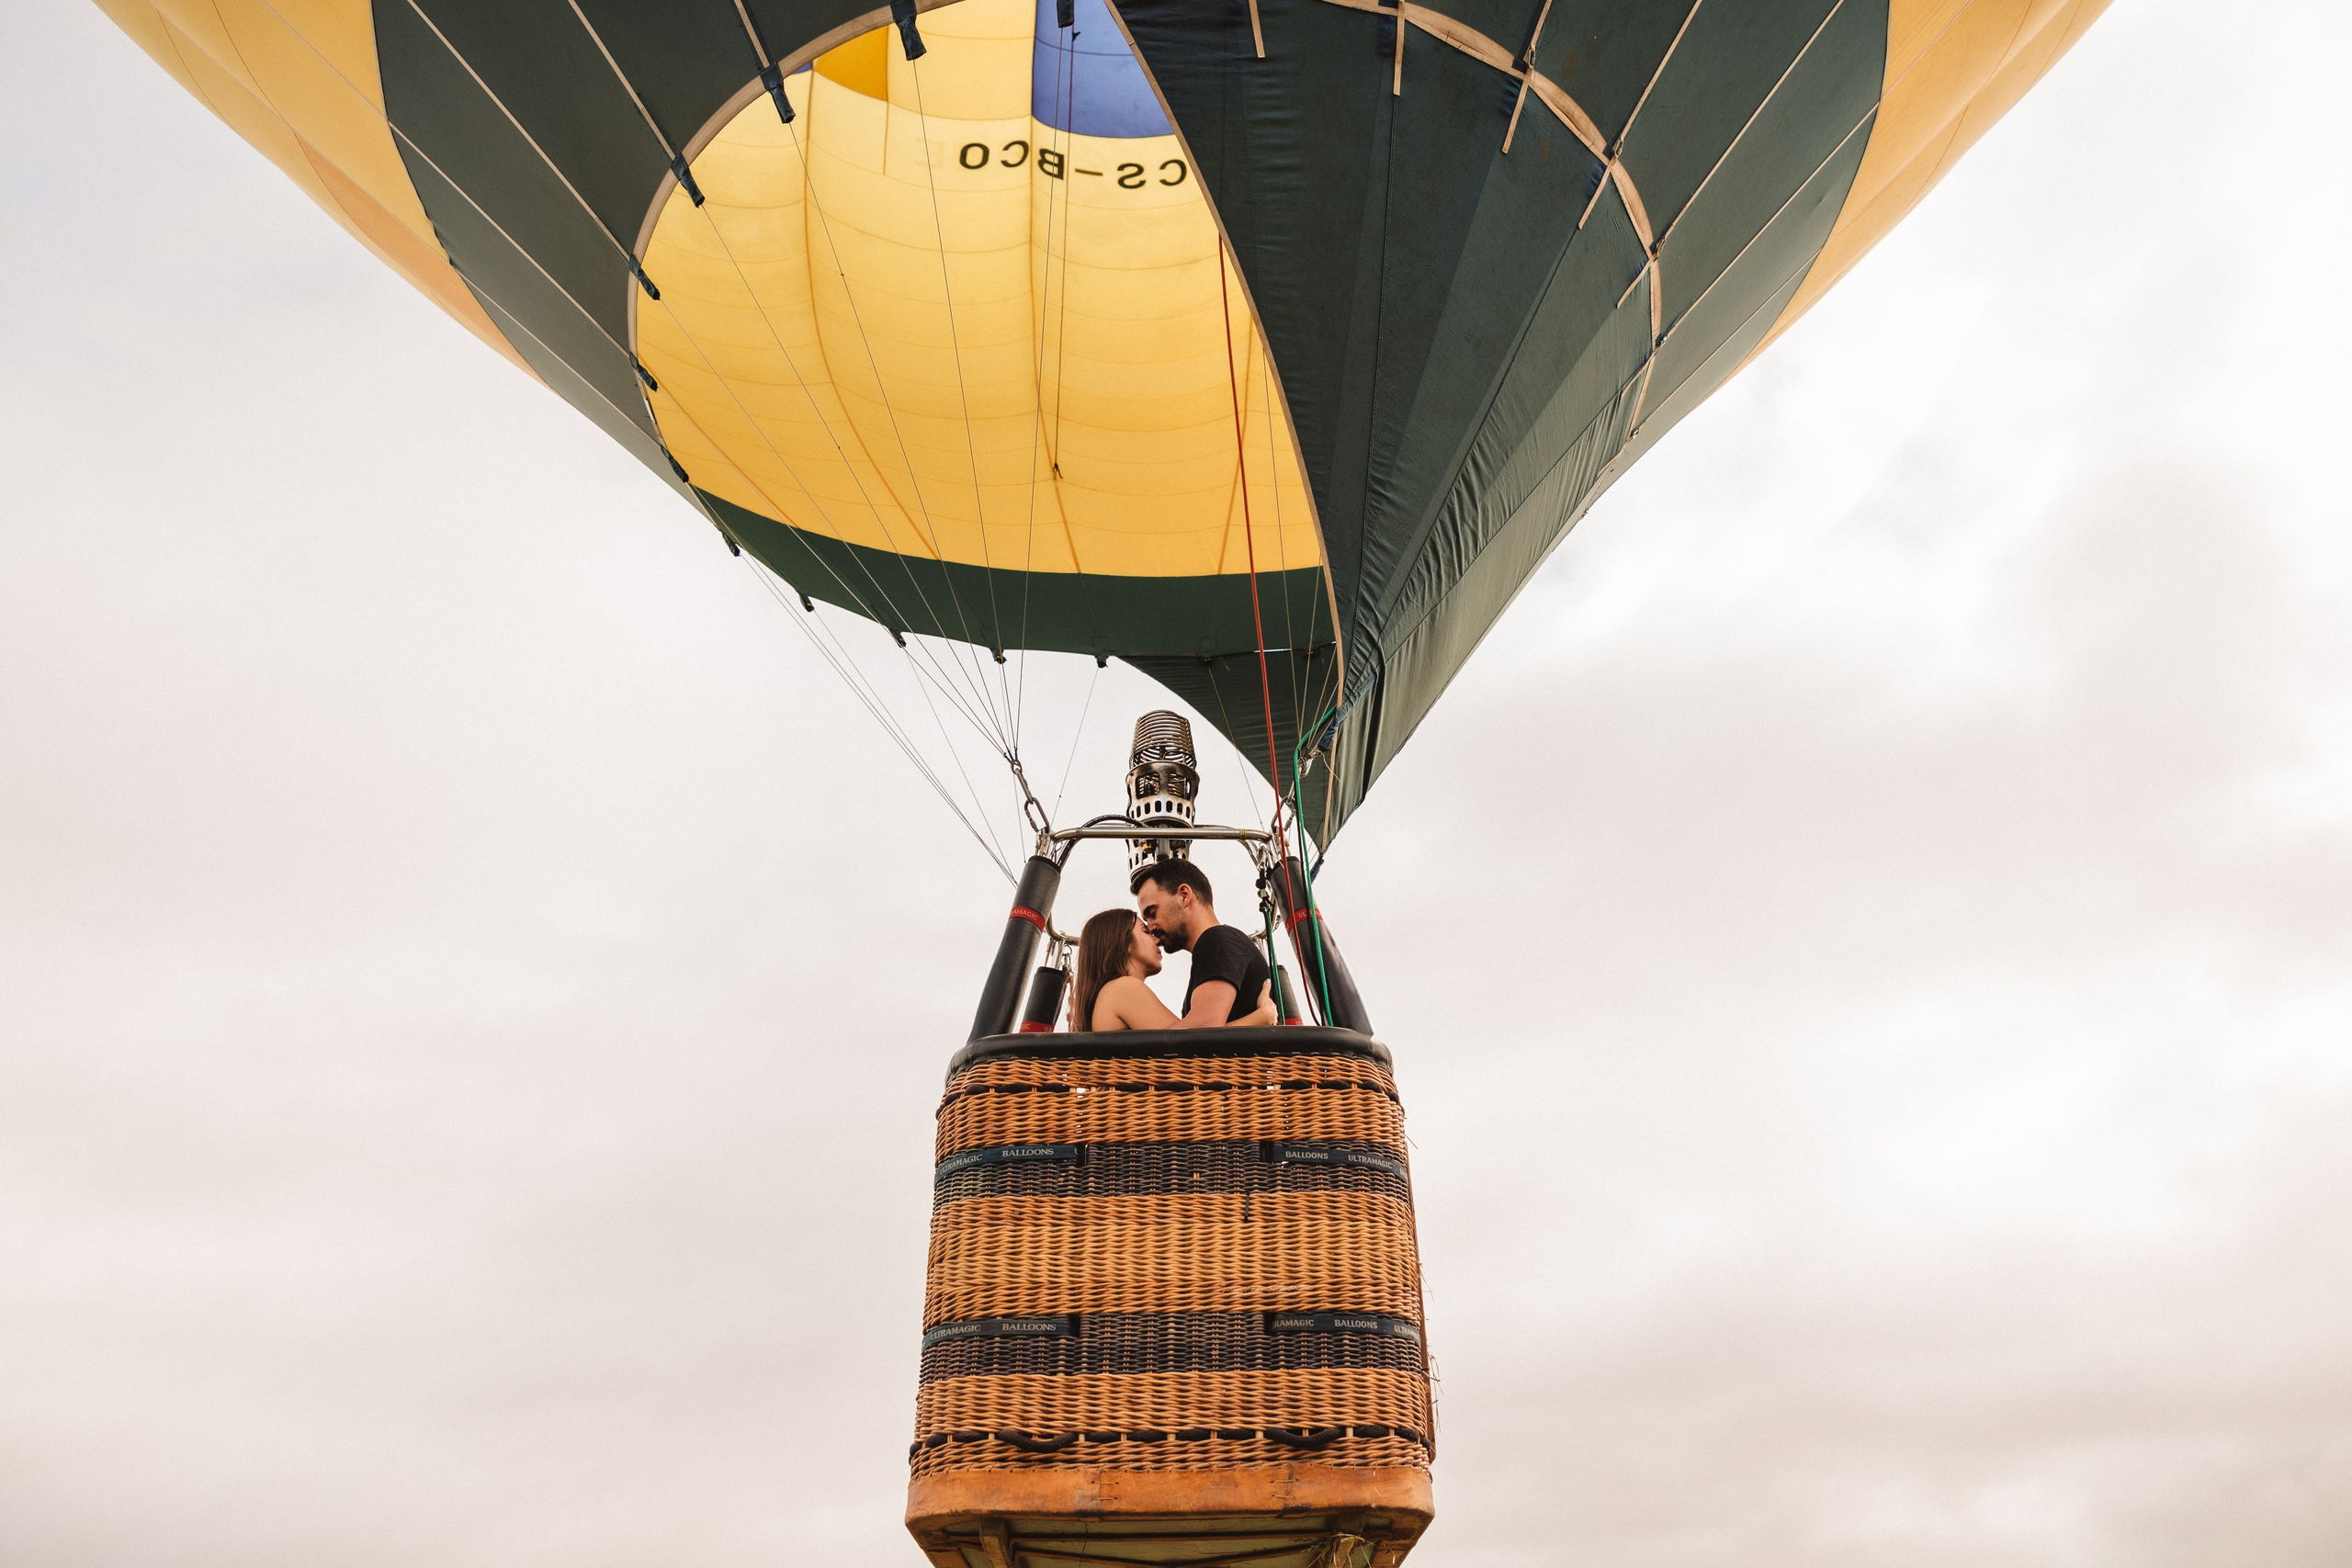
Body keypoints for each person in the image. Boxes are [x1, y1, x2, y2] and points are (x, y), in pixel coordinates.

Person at [1069, 905, 1276, 1032]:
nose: (1156, 939)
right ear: (1125, 944)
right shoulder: (1123, 988)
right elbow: (1186, 1045)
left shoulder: (1114, 992)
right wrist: (1260, 1018)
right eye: (1144, 931)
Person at [1131, 858, 1274, 1029]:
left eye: (1153, 913)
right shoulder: (1215, 947)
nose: (1151, 927)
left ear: (1184, 895)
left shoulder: (1217, 940)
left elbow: (1200, 1034)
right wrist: (1260, 1018)